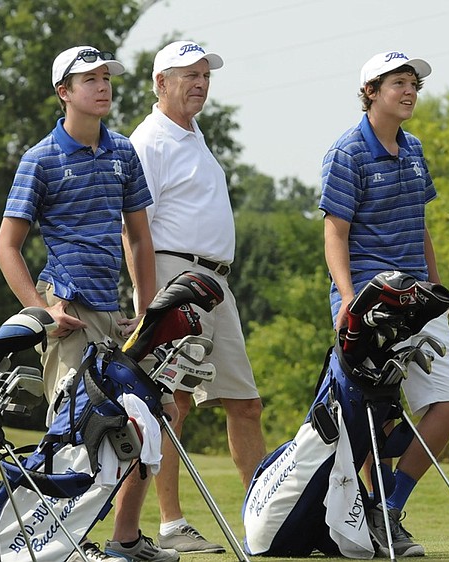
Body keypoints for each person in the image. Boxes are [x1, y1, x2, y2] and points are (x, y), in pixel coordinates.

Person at [0, 45, 177, 562]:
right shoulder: (41, 158)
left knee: (147, 419)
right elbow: (8, 246)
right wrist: (40, 310)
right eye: (89, 79)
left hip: (116, 311)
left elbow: (139, 238)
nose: (102, 87)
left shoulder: (122, 152)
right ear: (64, 92)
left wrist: (144, 308)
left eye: (106, 78)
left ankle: (124, 539)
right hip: (67, 307)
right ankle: (56, 546)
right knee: (75, 431)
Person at [319, 50, 449, 558]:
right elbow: (334, 232)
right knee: (374, 415)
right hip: (369, 300)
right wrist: (345, 299)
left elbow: (419, 226)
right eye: (398, 84)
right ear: (371, 92)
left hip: (417, 301)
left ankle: (387, 506)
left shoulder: (414, 148)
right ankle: (376, 521)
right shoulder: (347, 151)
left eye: (413, 85)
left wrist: (436, 289)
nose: (408, 92)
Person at [128, 40, 266, 554]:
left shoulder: (194, 135)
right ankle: (170, 523)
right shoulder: (150, 141)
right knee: (172, 403)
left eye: (205, 74)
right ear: (160, 83)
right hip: (172, 276)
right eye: (188, 74)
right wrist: (147, 303)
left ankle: (263, 518)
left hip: (215, 285)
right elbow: (134, 230)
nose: (200, 83)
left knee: (246, 404)